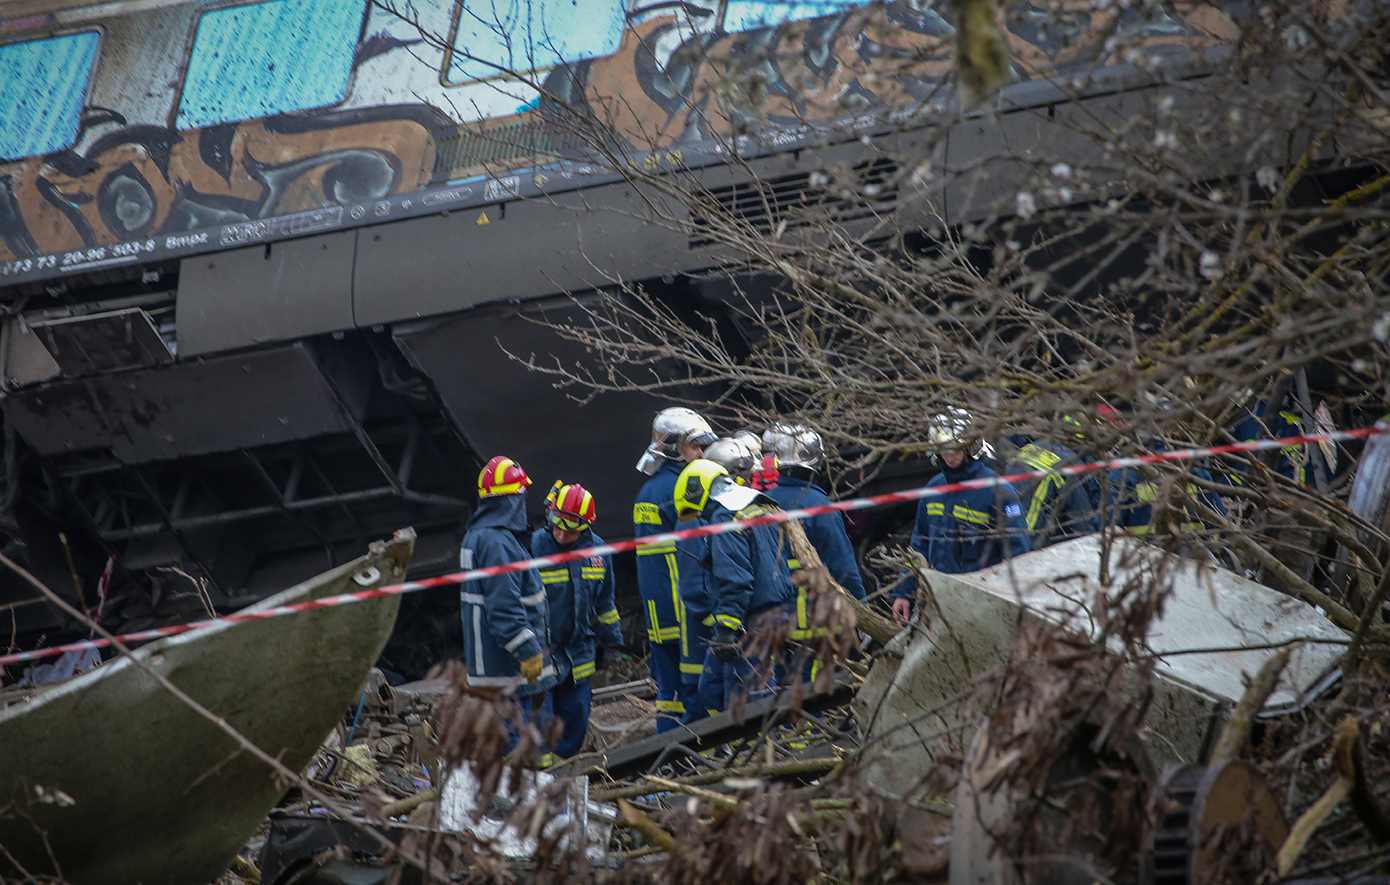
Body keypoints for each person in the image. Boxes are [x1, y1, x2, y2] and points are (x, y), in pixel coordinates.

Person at [674, 459, 796, 714]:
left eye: (696, 512)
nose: (699, 519)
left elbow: (735, 580)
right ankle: (731, 742)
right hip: (779, 612)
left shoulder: (724, 518)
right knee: (712, 685)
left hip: (751, 620)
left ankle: (756, 750)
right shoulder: (756, 503)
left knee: (749, 701)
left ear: (699, 494)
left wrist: (727, 629)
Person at [892, 411, 1030, 624]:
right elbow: (919, 545)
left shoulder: (999, 491)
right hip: (939, 599)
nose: (950, 457)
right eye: (944, 450)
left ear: (971, 447)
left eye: (956, 448)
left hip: (982, 601)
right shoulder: (933, 489)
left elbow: (1018, 553)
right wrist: (904, 590)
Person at [633, 407, 717, 731]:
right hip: (686, 614)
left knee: (669, 695)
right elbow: (696, 555)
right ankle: (699, 761)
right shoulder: (682, 489)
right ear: (673, 447)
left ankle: (667, 766)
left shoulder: (648, 491)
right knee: (697, 692)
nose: (701, 454)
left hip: (660, 615)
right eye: (695, 446)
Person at [532, 482, 623, 761]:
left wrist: (612, 643)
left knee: (576, 722)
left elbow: (604, 604)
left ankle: (563, 779)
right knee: (540, 728)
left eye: (570, 530)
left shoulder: (598, 554)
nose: (560, 534)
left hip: (578, 657)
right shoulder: (533, 546)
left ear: (586, 526)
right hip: (541, 656)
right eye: (556, 525)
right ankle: (541, 783)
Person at [459, 456, 556, 703]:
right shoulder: (497, 543)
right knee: (516, 739)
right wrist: (528, 651)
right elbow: (503, 605)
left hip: (493, 670)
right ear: (513, 500)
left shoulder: (478, 535)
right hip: (505, 671)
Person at [760, 424, 867, 600]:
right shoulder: (819, 506)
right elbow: (843, 568)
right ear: (817, 462)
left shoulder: (762, 501)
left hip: (767, 616)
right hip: (811, 614)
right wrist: (862, 606)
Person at [999, 429, 1101, 550]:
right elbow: (1081, 520)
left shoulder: (1032, 447)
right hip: (1028, 534)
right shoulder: (1071, 464)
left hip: (1000, 522)